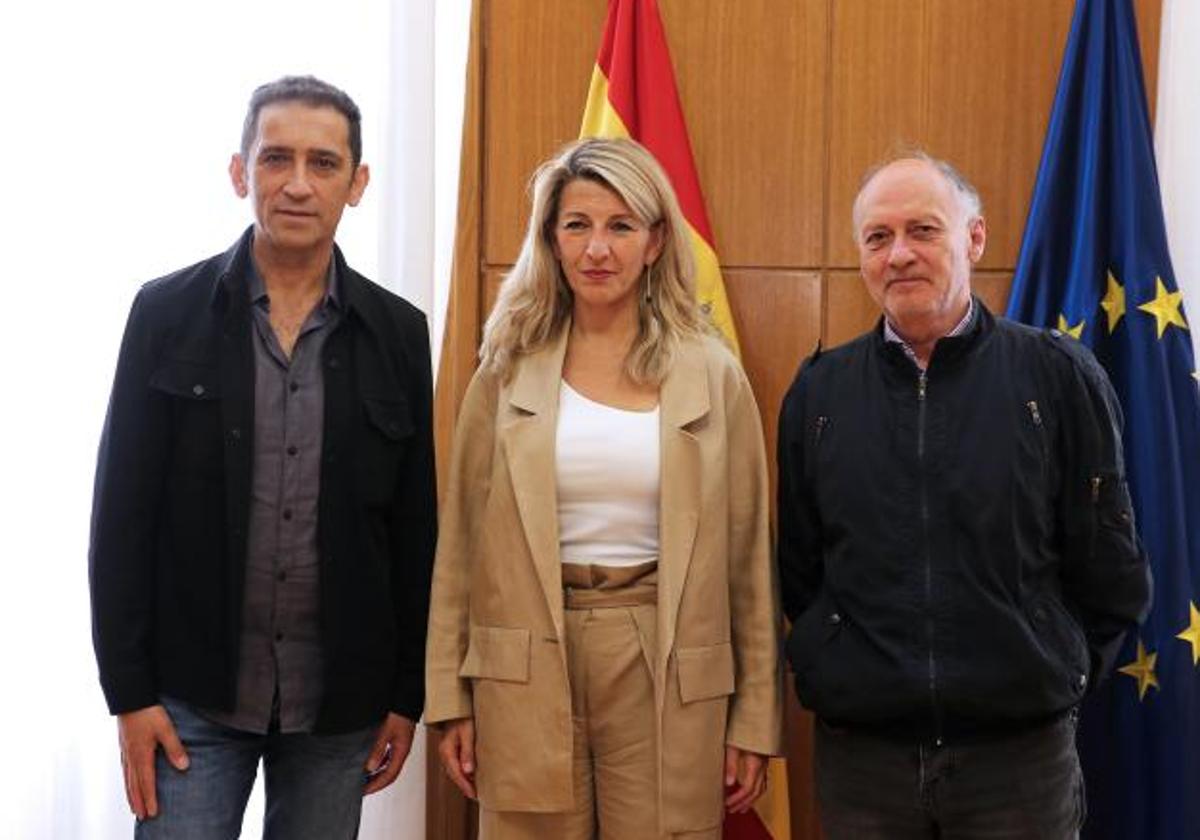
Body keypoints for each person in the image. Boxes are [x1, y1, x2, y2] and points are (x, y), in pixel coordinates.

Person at [89, 75, 436, 838]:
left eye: (324, 163)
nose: (299, 185)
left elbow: (416, 531)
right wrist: (130, 695)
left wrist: (407, 696)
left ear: (358, 182)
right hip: (190, 699)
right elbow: (120, 516)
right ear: (241, 172)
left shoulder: (399, 333)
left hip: (338, 704)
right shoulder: (164, 312)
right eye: (277, 159)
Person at [777, 151, 1153, 839]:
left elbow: (1110, 569)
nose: (899, 255)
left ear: (973, 237)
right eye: (878, 237)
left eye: (923, 230)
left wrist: (1052, 665)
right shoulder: (820, 394)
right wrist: (833, 659)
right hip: (865, 764)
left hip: (1017, 764)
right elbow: (801, 570)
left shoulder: (1057, 378)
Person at [425, 137, 782, 839]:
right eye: (577, 225)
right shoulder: (505, 368)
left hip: (663, 653)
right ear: (551, 241)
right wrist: (450, 698)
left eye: (620, 226)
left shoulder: (710, 373)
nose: (597, 249)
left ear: (655, 242)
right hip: (526, 654)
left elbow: (748, 561)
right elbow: (460, 546)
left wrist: (756, 715)